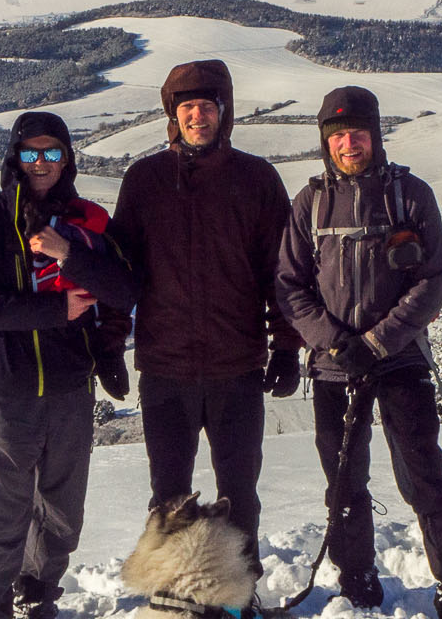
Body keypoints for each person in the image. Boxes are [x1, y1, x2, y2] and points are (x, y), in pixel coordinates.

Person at [274, 85, 442, 619]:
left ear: (376, 135)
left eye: (357, 133)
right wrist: (336, 343)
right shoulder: (310, 203)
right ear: (325, 142)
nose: (348, 144)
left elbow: (431, 281)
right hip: (334, 365)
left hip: (400, 359)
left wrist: (377, 343)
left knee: (423, 475)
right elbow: (289, 286)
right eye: (337, 136)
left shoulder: (410, 195)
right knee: (343, 481)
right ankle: (357, 580)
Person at [0, 110, 134, 619]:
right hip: (4, 392)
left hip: (71, 389)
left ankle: (37, 597)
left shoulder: (89, 220)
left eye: (53, 152)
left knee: (61, 514)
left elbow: (125, 289)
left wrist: (69, 254)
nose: (43, 163)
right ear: (15, 158)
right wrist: (55, 311)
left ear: (68, 158)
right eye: (32, 153)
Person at [105, 59, 303, 557]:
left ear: (224, 112)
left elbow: (280, 271)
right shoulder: (144, 182)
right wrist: (109, 345)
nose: (198, 116)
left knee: (239, 495)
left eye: (207, 106)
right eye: (187, 107)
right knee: (168, 498)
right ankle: (172, 590)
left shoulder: (256, 180)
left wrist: (286, 345)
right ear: (173, 115)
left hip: (236, 368)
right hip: (165, 369)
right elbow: (118, 272)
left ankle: (241, 588)